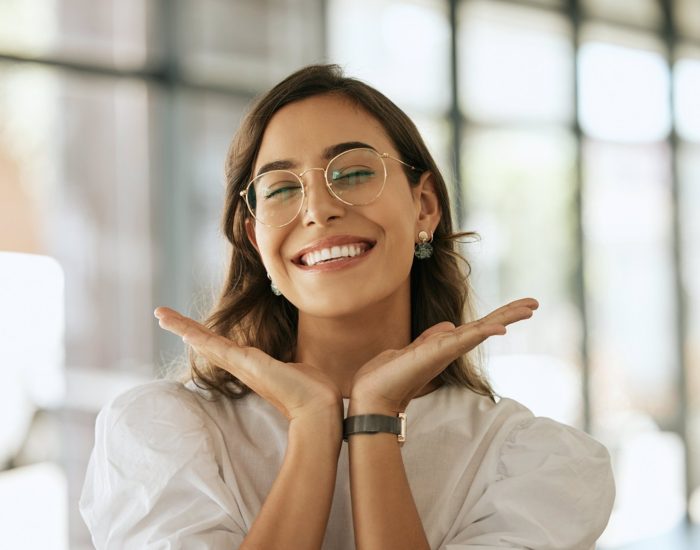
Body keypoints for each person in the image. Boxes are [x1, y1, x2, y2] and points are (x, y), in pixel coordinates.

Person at [80, 64, 615, 549]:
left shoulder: (534, 464)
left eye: (354, 173)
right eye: (281, 189)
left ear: (423, 206)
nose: (317, 209)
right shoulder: (161, 434)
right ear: (255, 238)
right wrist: (314, 425)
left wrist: (374, 420)